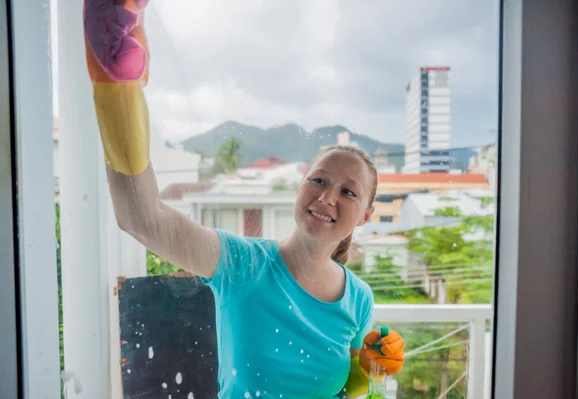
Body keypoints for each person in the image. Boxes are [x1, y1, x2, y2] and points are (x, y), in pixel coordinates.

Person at [83, 0, 404, 397]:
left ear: (367, 215)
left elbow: (347, 390)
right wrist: (117, 88)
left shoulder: (359, 297)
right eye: (318, 180)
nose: (326, 197)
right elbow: (141, 217)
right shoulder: (243, 264)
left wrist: (370, 370)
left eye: (348, 192)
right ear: (301, 186)